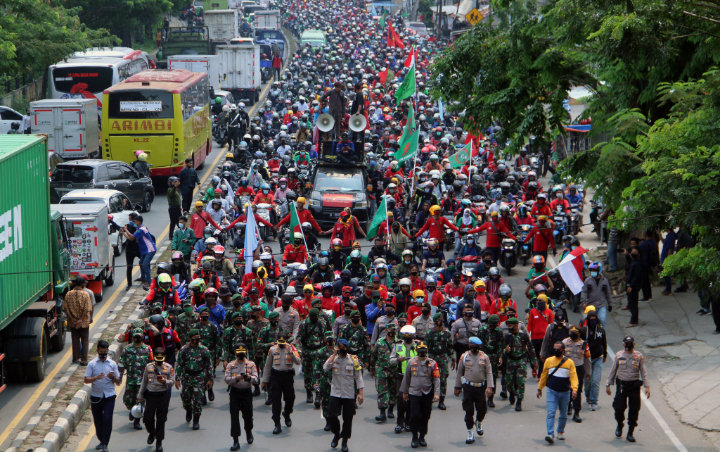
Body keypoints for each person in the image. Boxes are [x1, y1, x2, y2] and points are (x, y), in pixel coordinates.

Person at [606, 336, 650, 443]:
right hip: (622, 385)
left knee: (634, 409)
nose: (628, 345)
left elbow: (643, 371)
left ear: (633, 344)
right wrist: (608, 384)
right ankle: (620, 424)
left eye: (630, 343)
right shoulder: (619, 355)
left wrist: (647, 386)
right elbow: (613, 370)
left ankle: (630, 432)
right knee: (618, 407)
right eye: (627, 343)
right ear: (623, 344)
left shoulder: (638, 356)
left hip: (634, 386)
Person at [324, 338, 365, 452]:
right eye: (340, 346)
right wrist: (333, 354)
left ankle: (344, 441)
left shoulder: (353, 360)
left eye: (344, 347)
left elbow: (358, 377)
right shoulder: (334, 358)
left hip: (348, 394)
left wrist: (360, 393)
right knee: (331, 416)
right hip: (335, 392)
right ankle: (337, 434)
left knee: (348, 419)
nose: (342, 349)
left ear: (347, 348)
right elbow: (325, 368)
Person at [399, 341, 441, 449]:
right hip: (414, 393)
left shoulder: (432, 363)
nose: (422, 353)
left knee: (425, 416)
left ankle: (422, 436)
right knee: (414, 415)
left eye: (424, 351)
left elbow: (436, 379)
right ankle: (414, 436)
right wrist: (404, 392)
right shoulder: (411, 362)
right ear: (417, 352)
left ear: (427, 352)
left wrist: (436, 394)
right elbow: (406, 378)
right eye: (420, 351)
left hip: (427, 393)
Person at [537, 341, 578, 444]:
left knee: (563, 414)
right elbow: (544, 375)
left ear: (563, 350)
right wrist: (539, 388)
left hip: (565, 392)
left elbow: (574, 377)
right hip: (552, 391)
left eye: (558, 349)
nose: (556, 351)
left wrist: (574, 389)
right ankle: (550, 434)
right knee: (551, 413)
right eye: (554, 349)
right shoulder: (548, 361)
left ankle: (560, 431)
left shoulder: (569, 363)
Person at [84, 340, 122, 452]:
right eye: (101, 353)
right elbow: (86, 379)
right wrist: (95, 378)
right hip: (96, 396)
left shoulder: (112, 364)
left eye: (105, 353)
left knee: (107, 418)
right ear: (97, 351)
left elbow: (118, 382)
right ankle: (101, 440)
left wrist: (112, 378)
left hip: (109, 396)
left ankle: (105, 443)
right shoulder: (92, 364)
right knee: (98, 421)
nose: (103, 356)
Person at [455, 337, 494, 444]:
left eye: (474, 345)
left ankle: (479, 421)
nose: (472, 347)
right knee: (469, 411)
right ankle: (469, 432)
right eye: (471, 345)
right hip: (468, 387)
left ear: (479, 346)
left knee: (482, 409)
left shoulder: (485, 357)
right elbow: (459, 372)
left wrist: (490, 387)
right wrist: (457, 387)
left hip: (480, 387)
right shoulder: (464, 356)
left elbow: (489, 372)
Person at [261, 332, 301, 434]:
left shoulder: (292, 348)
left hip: (287, 377)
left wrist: (291, 352)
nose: (282, 343)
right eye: (280, 341)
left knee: (290, 398)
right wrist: (265, 380)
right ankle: (277, 424)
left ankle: (287, 413)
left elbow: (298, 361)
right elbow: (268, 365)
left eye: (284, 341)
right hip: (276, 377)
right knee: (276, 401)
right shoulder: (273, 349)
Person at [137, 347, 174, 452]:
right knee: (147, 418)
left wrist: (164, 381)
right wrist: (140, 396)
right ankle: (152, 433)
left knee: (161, 420)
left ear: (164, 357)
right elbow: (144, 382)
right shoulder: (148, 367)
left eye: (161, 359)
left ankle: (159, 442)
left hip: (163, 396)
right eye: (157, 359)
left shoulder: (169, 367)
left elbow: (172, 381)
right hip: (151, 395)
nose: (159, 361)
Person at [175, 329, 213, 430]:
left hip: (199, 377)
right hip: (187, 376)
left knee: (198, 399)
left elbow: (209, 365)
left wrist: (210, 379)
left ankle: (196, 420)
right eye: (194, 339)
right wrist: (177, 378)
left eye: (198, 339)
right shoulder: (184, 350)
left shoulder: (204, 350)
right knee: (185, 397)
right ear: (190, 339)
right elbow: (179, 364)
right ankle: (188, 409)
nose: (196, 341)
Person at [225, 346, 259, 449]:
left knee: (248, 415)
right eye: (239, 354)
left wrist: (249, 378)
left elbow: (256, 378)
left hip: (246, 393)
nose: (241, 356)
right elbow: (226, 379)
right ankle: (235, 440)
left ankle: (248, 431)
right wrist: (236, 378)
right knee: (234, 417)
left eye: (242, 353)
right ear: (236, 354)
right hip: (235, 393)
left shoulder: (251, 364)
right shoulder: (231, 365)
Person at [120, 328, 153, 430]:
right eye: (135, 336)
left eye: (139, 336)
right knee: (127, 399)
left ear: (143, 337)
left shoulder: (147, 349)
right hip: (130, 379)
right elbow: (121, 364)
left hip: (142, 382)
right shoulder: (127, 349)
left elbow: (151, 364)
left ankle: (136, 420)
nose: (137, 338)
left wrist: (151, 378)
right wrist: (119, 377)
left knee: (140, 401)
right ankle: (132, 410)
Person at [504, 317, 538, 412]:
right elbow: (502, 349)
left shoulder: (524, 336)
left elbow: (531, 349)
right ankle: (511, 393)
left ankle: (519, 401)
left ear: (516, 325)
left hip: (521, 361)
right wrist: (505, 351)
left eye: (511, 325)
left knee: (521, 381)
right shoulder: (507, 337)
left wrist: (534, 361)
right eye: (508, 325)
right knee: (509, 382)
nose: (509, 327)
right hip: (510, 361)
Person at [370, 322, 398, 423]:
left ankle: (390, 409)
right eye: (389, 330)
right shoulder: (380, 342)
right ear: (386, 330)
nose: (391, 332)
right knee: (382, 391)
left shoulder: (398, 343)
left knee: (393, 390)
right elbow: (374, 356)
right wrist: (372, 369)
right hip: (381, 369)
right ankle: (382, 412)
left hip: (394, 370)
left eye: (393, 330)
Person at [562, 326, 591, 423]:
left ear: (579, 334)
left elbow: (587, 359)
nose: (573, 334)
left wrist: (588, 372)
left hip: (578, 369)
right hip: (566, 369)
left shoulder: (583, 344)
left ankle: (577, 412)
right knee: (567, 389)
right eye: (571, 332)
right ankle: (568, 406)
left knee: (577, 391)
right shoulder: (565, 342)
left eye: (575, 332)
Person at [581, 307, 607, 411]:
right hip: (587, 359)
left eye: (594, 318)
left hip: (598, 358)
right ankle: (587, 396)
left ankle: (594, 401)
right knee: (587, 381)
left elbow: (604, 343)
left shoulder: (601, 330)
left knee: (596, 380)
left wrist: (604, 355)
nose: (593, 320)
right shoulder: (583, 331)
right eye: (590, 318)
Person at [64, 276, 93, 365]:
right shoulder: (85, 294)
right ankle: (84, 360)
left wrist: (73, 320)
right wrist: (80, 320)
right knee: (84, 340)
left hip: (73, 322)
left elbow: (66, 309)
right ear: (82, 284)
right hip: (83, 322)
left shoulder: (68, 294)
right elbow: (87, 309)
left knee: (75, 340)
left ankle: (75, 358)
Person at [124, 215, 156, 290]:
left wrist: (126, 230)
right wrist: (124, 233)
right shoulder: (138, 229)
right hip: (145, 250)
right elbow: (131, 239)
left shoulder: (141, 229)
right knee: (141, 262)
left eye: (134, 221)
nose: (133, 223)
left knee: (144, 264)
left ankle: (150, 282)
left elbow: (131, 237)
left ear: (139, 221)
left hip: (150, 249)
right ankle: (143, 278)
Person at [580, 262, 612, 327]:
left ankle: (601, 334)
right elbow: (584, 292)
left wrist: (610, 304)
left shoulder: (604, 281)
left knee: (602, 320)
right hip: (591, 305)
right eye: (592, 271)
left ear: (599, 271)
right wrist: (584, 302)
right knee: (589, 323)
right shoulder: (588, 281)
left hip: (601, 305)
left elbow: (608, 293)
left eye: (594, 271)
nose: (593, 272)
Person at [625, 248, 642, 327]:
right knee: (632, 303)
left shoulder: (637, 264)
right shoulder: (633, 262)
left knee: (633, 303)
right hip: (631, 285)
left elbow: (636, 277)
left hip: (633, 286)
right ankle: (634, 319)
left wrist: (631, 285)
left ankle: (634, 321)